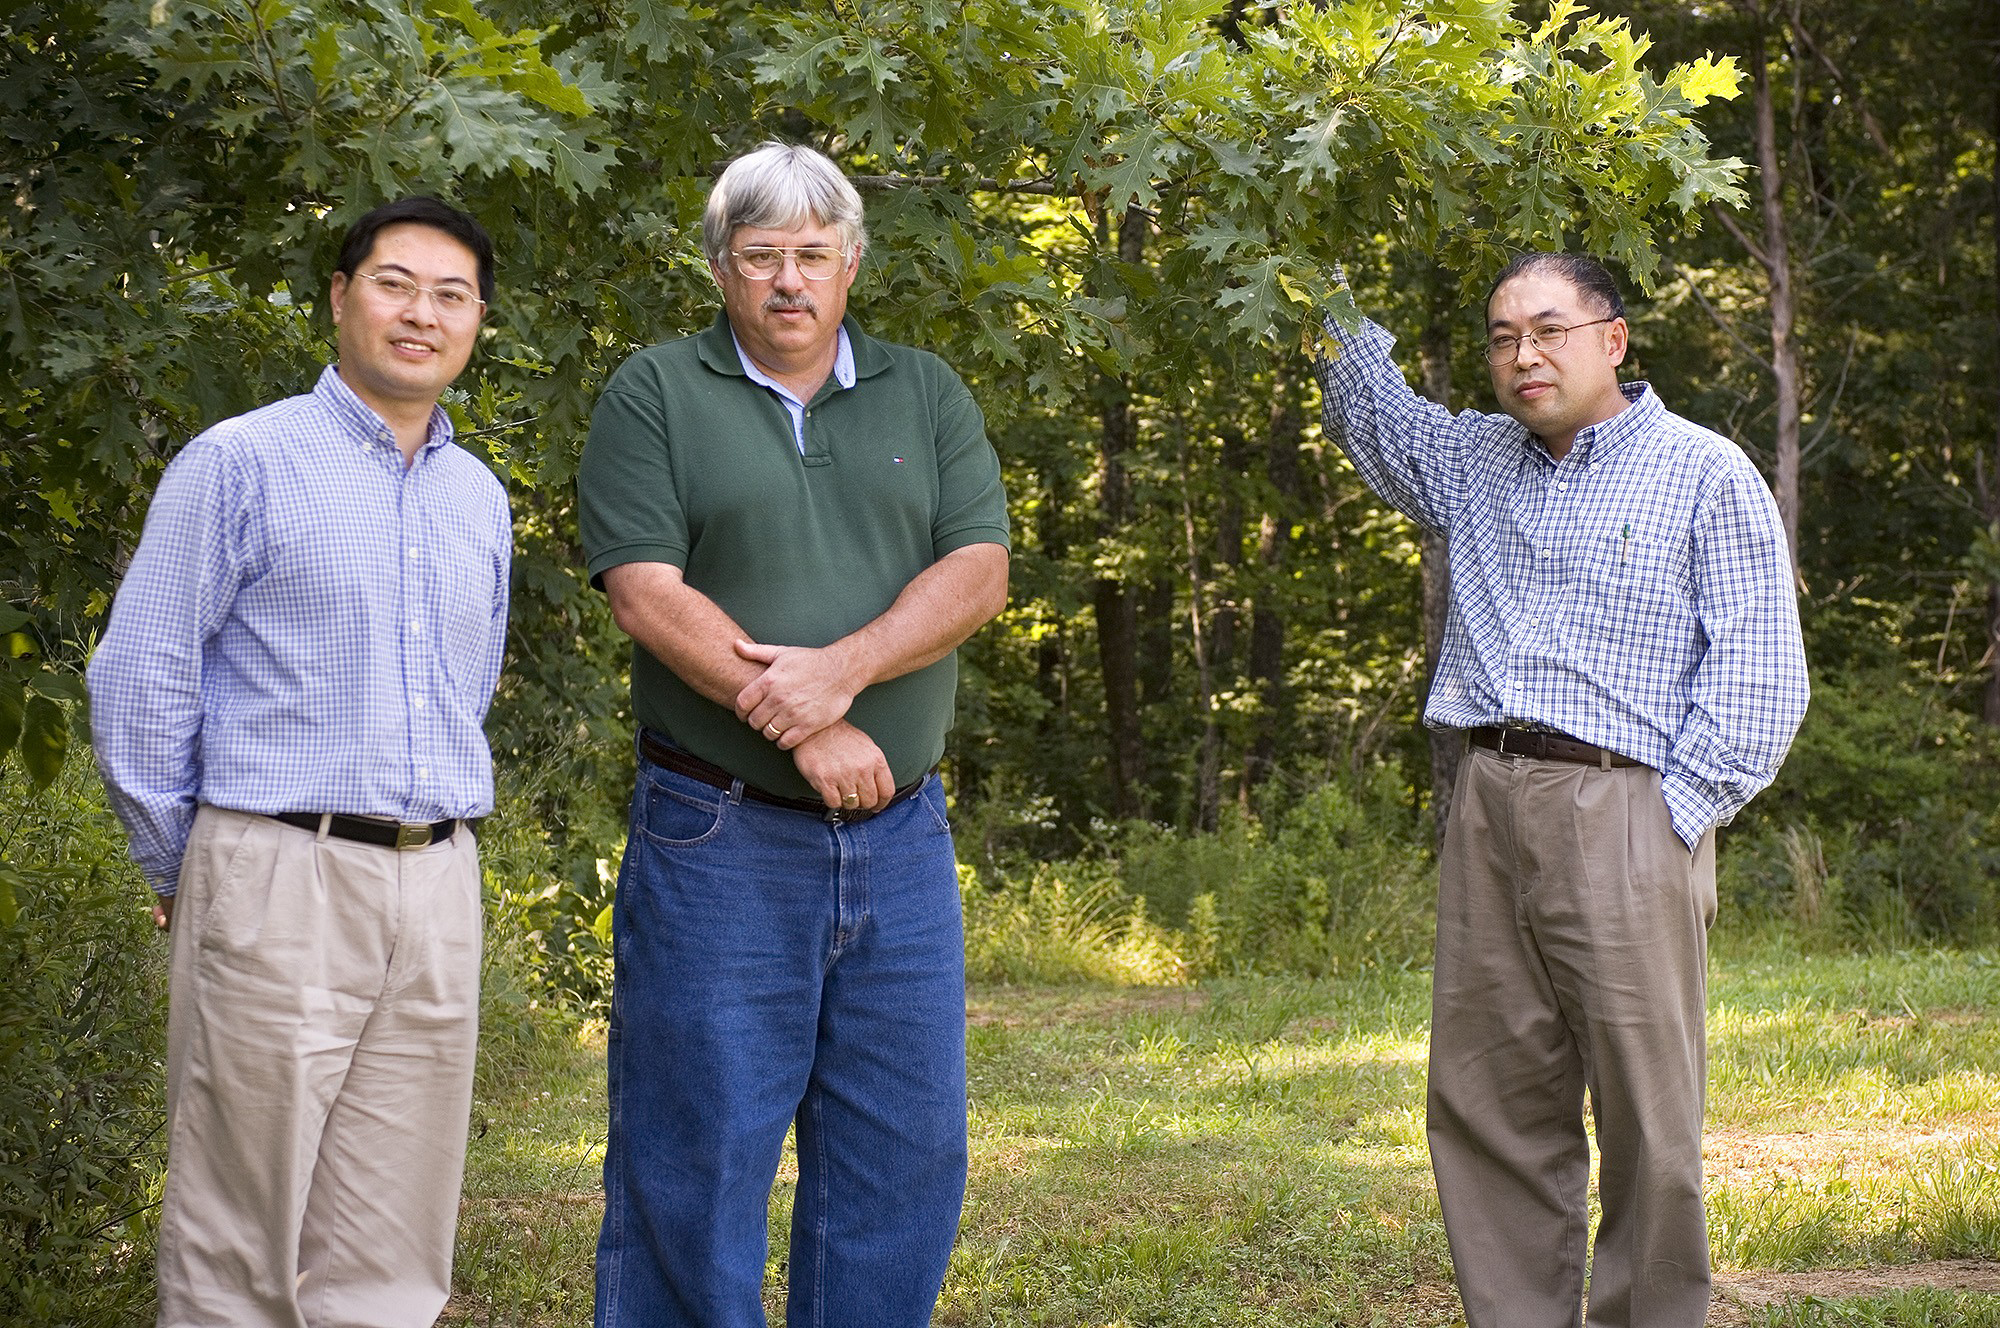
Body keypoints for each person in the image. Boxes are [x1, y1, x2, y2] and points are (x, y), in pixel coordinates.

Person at [1312, 252, 1808, 1328]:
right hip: (1487, 802)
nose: (1520, 356)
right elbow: (1373, 416)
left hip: (1626, 806)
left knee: (1646, 1117)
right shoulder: (1474, 459)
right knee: (1486, 1101)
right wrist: (1312, 283)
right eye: (1500, 336)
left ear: (1613, 339)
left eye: (1546, 330)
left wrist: (1672, 811)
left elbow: (1762, 672)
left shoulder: (1701, 471)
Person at [577, 141, 1009, 1328]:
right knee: (696, 1144)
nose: (787, 281)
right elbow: (644, 589)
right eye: (760, 255)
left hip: (903, 833)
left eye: (811, 255)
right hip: (717, 830)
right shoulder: (654, 392)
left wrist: (842, 674)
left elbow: (976, 570)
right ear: (720, 268)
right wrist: (804, 728)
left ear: (851, 263)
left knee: (903, 1149)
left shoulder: (925, 392)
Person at [88, 197, 511, 1328]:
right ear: (339, 296)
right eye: (393, 282)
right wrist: (191, 863)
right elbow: (140, 677)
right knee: (240, 1235)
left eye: (451, 294)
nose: (421, 313)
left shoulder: (479, 496)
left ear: (477, 320)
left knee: (392, 1241)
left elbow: (464, 693)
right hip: (277, 870)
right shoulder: (240, 461)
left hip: (435, 880)